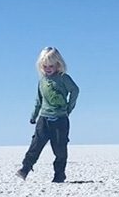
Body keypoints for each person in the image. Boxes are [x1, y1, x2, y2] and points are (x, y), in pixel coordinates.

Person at [17, 47, 79, 183]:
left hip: (60, 120)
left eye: (51, 66)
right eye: (45, 66)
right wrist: (34, 115)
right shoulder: (42, 81)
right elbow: (38, 100)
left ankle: (59, 175)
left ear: (58, 64)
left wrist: (68, 108)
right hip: (44, 119)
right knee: (36, 145)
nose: (48, 69)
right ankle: (25, 168)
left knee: (60, 149)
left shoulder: (63, 78)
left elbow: (75, 90)